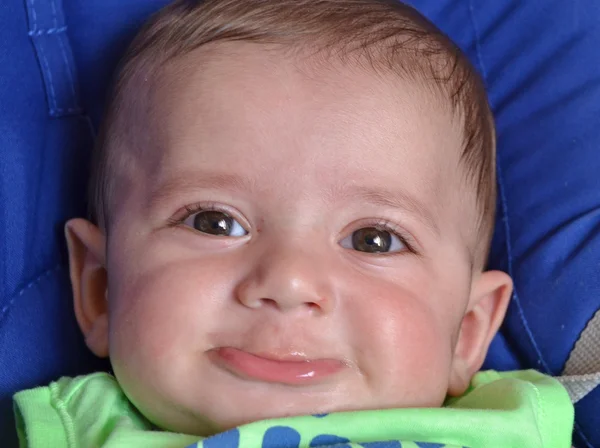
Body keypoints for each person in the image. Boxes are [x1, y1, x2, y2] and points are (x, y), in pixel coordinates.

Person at [13, 0, 574, 446]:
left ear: (468, 330)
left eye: (373, 239)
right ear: (100, 287)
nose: (288, 282)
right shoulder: (78, 429)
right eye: (214, 222)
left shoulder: (511, 426)